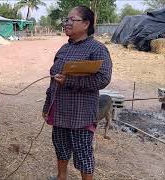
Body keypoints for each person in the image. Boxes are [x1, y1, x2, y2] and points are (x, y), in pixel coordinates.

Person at [42, 6, 113, 180]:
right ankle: (61, 177)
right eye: (66, 20)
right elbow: (53, 81)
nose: (66, 23)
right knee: (61, 147)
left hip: (80, 115)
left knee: (83, 154)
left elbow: (103, 79)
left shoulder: (97, 49)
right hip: (60, 112)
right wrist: (46, 106)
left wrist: (70, 81)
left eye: (71, 20)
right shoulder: (63, 50)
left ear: (86, 24)